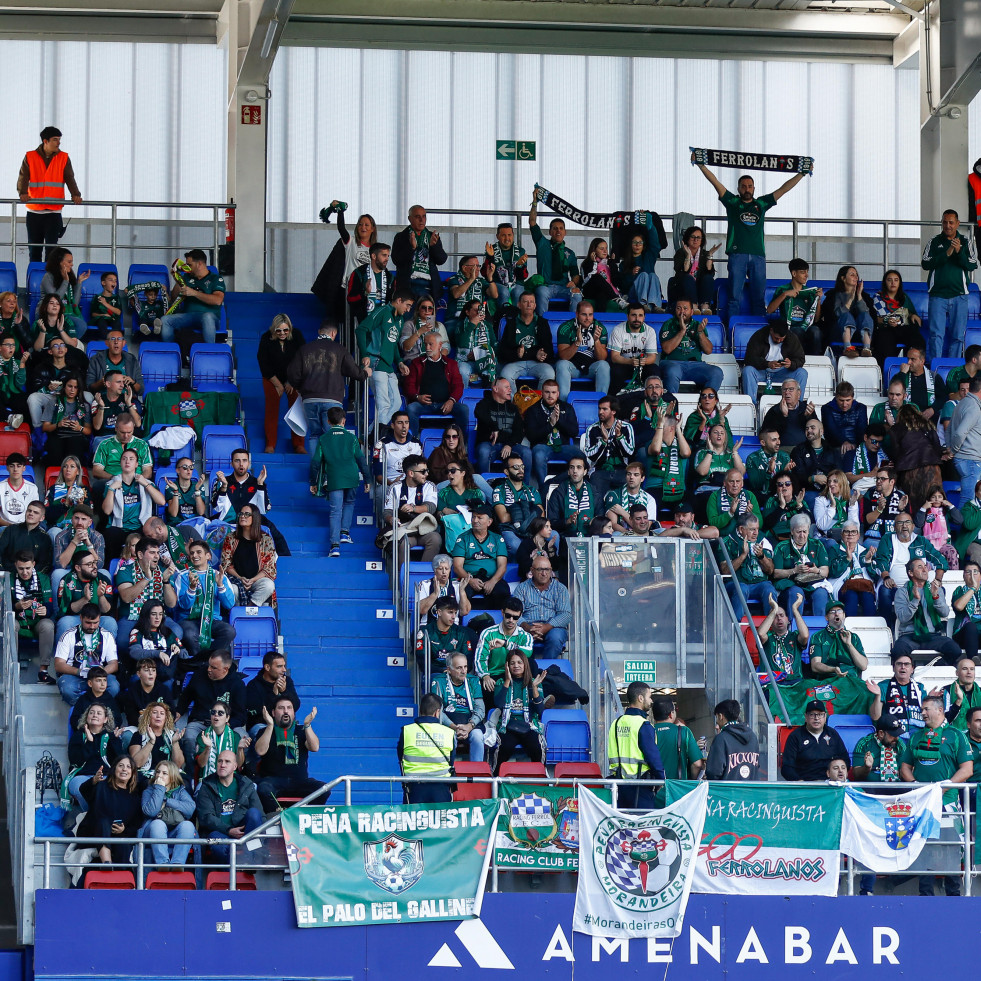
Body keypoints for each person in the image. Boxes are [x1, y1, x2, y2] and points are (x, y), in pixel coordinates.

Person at [693, 160, 806, 318]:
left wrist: (802, 173)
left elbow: (783, 189)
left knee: (759, 299)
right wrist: (701, 165)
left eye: (750, 186)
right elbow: (715, 182)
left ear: (754, 188)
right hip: (737, 255)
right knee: (734, 298)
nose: (747, 189)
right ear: (738, 189)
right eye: (744, 186)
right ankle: (732, 332)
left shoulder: (761, 203)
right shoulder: (732, 202)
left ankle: (758, 332)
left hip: (758, 256)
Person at [900, 695, 973, 896]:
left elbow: (966, 770)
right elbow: (905, 767)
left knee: (950, 847)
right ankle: (925, 896)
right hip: (922, 804)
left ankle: (954, 897)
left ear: (940, 710)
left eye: (926, 709)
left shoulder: (956, 735)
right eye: (922, 709)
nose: (922, 713)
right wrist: (916, 786)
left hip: (947, 804)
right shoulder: (915, 736)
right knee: (924, 846)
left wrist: (941, 790)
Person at [287, 321, 370, 458]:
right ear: (333, 333)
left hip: (309, 400)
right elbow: (355, 373)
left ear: (320, 332)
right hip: (332, 399)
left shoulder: (305, 349)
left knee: (314, 435)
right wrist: (365, 372)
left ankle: (316, 473)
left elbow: (292, 374)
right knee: (331, 435)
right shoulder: (339, 349)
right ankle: (328, 474)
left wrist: (302, 388)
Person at [310, 405, 371, 557]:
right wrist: (367, 478)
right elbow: (361, 460)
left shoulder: (324, 438)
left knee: (335, 511)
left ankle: (334, 546)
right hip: (351, 477)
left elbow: (316, 462)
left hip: (334, 479)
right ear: (344, 421)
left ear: (328, 421)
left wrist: (313, 481)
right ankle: (345, 533)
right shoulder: (352, 438)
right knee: (349, 503)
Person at [868, 512, 948, 625]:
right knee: (884, 592)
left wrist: (938, 580)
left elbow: (941, 561)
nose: (904, 526)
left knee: (940, 591)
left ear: (913, 526)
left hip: (920, 586)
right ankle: (887, 627)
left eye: (907, 522)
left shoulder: (921, 541)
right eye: (900, 523)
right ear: (895, 527)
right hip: (895, 587)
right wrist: (886, 578)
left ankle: (934, 626)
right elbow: (882, 561)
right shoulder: (888, 539)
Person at [18, 127, 83, 263]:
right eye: (55, 140)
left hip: (53, 213)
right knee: (34, 251)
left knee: (52, 252)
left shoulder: (63, 157)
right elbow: (23, 176)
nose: (58, 143)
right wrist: (22, 192)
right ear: (45, 141)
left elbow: (69, 177)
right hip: (34, 212)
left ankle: (50, 282)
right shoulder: (30, 156)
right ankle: (35, 282)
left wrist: (76, 194)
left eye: (59, 140)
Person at [922, 209, 979, 361]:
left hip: (959, 295)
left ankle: (952, 369)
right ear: (942, 223)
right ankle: (936, 370)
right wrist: (947, 253)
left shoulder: (966, 242)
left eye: (951, 222)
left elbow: (972, 265)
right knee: (936, 335)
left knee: (958, 336)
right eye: (945, 222)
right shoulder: (934, 241)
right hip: (937, 295)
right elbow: (925, 264)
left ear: (957, 224)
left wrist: (959, 251)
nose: (948, 225)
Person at [355, 289, 414, 431]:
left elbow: (392, 343)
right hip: (375, 362)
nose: (408, 310)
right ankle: (376, 438)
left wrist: (399, 361)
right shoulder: (382, 311)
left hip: (388, 366)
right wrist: (364, 354)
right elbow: (361, 329)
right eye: (407, 305)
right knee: (384, 405)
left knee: (397, 403)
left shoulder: (399, 320)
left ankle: (370, 434)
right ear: (398, 300)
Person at [174, 650, 247, 763]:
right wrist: (179, 711)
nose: (208, 669)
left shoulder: (237, 684)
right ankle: (191, 773)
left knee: (244, 739)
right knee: (189, 737)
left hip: (227, 725)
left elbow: (241, 715)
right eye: (209, 665)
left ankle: (238, 774)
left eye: (214, 668)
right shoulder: (199, 675)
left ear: (225, 669)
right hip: (201, 722)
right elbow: (186, 696)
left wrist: (228, 724)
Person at [254, 698, 322, 811]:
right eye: (281, 708)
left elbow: (314, 747)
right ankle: (278, 816)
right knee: (263, 789)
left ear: (293, 713)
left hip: (299, 781)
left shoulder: (301, 730)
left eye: (289, 708)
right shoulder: (265, 731)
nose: (286, 711)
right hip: (273, 781)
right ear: (273, 713)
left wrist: (307, 725)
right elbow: (260, 751)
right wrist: (270, 725)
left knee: (323, 789)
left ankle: (302, 815)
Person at [76, 756, 145, 868]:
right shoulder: (102, 786)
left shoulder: (135, 797)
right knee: (104, 821)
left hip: (118, 835)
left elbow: (136, 824)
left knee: (124, 844)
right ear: (114, 769)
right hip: (93, 833)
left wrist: (124, 829)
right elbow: (84, 791)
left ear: (132, 773)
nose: (124, 769)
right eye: (121, 766)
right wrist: (93, 781)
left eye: (128, 767)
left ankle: (123, 879)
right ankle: (106, 864)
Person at [195, 749, 265, 859]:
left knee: (254, 813)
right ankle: (239, 868)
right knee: (217, 843)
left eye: (227, 762)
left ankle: (251, 859)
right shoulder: (207, 786)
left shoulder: (246, 784)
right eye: (220, 761)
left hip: (244, 832)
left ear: (235, 766)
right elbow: (206, 818)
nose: (222, 765)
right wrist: (229, 830)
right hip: (219, 832)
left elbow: (260, 815)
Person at [100, 448, 166, 559]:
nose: (127, 462)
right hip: (120, 527)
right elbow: (107, 511)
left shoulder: (146, 482)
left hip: (141, 527)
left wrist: (145, 484)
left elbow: (161, 501)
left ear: (136, 464)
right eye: (124, 459)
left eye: (131, 459)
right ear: (120, 463)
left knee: (153, 534)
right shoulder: (111, 484)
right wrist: (112, 489)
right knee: (111, 533)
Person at [607, 681, 665, 808]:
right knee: (644, 825)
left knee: (623, 826)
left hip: (618, 786)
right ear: (640, 698)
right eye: (649, 697)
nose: (651, 701)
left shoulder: (616, 724)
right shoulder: (643, 725)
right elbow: (653, 756)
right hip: (641, 786)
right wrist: (661, 779)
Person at [893, 557, 960, 664]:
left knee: (954, 650)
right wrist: (915, 600)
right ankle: (909, 675)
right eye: (920, 567)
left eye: (925, 566)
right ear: (910, 573)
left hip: (933, 636)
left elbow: (945, 613)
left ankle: (934, 669)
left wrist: (935, 597)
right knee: (898, 650)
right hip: (910, 636)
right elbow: (902, 617)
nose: (925, 570)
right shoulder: (902, 592)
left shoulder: (935, 589)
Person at [258, 314, 305, 455]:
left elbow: (303, 359)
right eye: (279, 331)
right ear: (274, 330)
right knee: (271, 410)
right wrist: (277, 384)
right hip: (272, 378)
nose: (282, 333)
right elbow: (262, 361)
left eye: (286, 330)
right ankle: (270, 444)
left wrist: (291, 381)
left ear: (290, 329)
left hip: (294, 378)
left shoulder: (297, 335)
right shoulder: (266, 338)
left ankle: (299, 444)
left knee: (297, 410)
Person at [53, 604, 119, 705]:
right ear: (81, 618)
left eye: (95, 623)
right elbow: (58, 665)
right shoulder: (68, 635)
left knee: (114, 687)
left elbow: (114, 664)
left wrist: (101, 672)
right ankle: (82, 710)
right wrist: (79, 671)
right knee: (68, 689)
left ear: (100, 619)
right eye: (88, 623)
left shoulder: (107, 635)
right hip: (74, 675)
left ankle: (98, 710)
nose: (92, 627)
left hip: (99, 675)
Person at [492, 651, 547, 773]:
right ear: (507, 666)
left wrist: (534, 688)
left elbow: (540, 711)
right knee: (504, 747)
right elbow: (499, 704)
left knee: (537, 747)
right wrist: (507, 681)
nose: (516, 666)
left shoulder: (534, 682)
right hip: (507, 726)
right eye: (512, 663)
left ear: (525, 664)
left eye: (519, 662)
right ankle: (495, 781)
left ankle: (541, 780)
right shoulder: (501, 682)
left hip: (529, 725)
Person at [523, 378, 581, 493]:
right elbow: (532, 437)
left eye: (553, 392)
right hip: (542, 446)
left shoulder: (567, 408)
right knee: (538, 454)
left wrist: (559, 421)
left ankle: (568, 486)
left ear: (558, 393)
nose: (550, 395)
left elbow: (574, 432)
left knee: (581, 456)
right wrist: (550, 424)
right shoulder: (533, 410)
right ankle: (543, 489)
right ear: (542, 392)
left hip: (563, 447)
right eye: (547, 392)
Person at [403, 331, 468, 433]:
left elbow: (459, 385)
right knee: (411, 408)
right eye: (425, 344)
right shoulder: (416, 363)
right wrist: (417, 397)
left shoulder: (451, 364)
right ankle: (414, 443)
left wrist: (451, 400)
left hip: (445, 404)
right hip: (423, 405)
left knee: (463, 409)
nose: (427, 348)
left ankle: (463, 446)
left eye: (430, 344)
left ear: (440, 345)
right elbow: (409, 385)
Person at [397, 692, 456, 803]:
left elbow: (400, 758)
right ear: (437, 713)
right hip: (441, 789)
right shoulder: (449, 733)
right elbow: (451, 761)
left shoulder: (407, 731)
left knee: (414, 820)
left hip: (413, 789)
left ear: (420, 710)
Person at [528, 196, 583, 314]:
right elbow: (532, 222)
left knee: (577, 294)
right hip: (546, 286)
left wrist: (574, 282)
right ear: (550, 232)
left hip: (564, 287)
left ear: (565, 232)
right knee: (541, 292)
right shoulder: (542, 244)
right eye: (555, 228)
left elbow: (575, 274)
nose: (558, 231)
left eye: (561, 228)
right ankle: (542, 325)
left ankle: (572, 326)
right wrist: (534, 202)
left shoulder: (570, 253)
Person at [657, 298, 723, 395]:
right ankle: (671, 404)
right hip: (672, 363)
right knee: (672, 371)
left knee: (717, 372)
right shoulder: (668, 324)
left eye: (685, 308)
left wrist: (700, 332)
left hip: (695, 366)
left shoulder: (697, 325)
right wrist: (682, 331)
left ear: (692, 312)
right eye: (678, 308)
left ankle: (705, 401)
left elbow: (708, 350)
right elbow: (667, 349)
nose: (682, 311)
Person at [382, 453, 441, 562]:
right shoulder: (396, 487)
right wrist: (391, 519)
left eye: (427, 470)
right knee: (402, 542)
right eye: (423, 471)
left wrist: (413, 508)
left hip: (424, 529)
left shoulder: (429, 486)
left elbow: (431, 507)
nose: (427, 474)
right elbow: (387, 512)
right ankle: (402, 577)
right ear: (411, 473)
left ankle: (424, 576)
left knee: (435, 539)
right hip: (404, 530)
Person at [161, 249, 225, 347]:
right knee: (165, 320)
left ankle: (209, 351)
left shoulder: (215, 279)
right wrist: (178, 279)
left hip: (210, 318)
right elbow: (173, 299)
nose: (187, 268)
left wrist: (194, 293)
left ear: (199, 264)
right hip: (189, 316)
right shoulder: (187, 277)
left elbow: (217, 300)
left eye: (189, 265)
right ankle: (170, 352)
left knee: (207, 317)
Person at [511, 557, 572, 660]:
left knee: (555, 637)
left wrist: (547, 627)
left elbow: (566, 614)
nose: (544, 573)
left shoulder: (560, 588)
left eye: (547, 570)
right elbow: (515, 613)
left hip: (553, 627)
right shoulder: (522, 588)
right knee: (522, 636)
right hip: (528, 626)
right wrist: (526, 627)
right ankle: (529, 671)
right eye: (540, 569)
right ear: (532, 570)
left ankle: (547, 671)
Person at [10, 548, 56, 682]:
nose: (24, 572)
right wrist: (16, 607)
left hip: (36, 622)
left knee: (48, 625)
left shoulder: (43, 579)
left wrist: (46, 611)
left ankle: (43, 671)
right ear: (15, 566)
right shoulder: (9, 579)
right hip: (19, 622)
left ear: (34, 564)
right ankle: (13, 668)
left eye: (28, 568)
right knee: (10, 624)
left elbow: (50, 606)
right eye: (21, 568)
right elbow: (3, 609)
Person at [451, 504, 510, 608]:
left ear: (489, 522)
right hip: (468, 578)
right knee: (460, 593)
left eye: (479, 517)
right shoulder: (463, 538)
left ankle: (495, 621)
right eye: (473, 517)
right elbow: (457, 567)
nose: (475, 520)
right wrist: (470, 580)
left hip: (491, 578)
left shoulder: (497, 539)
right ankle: (463, 621)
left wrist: (493, 581)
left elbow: (502, 566)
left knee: (502, 592)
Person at [139, 761, 196, 867]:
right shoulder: (149, 791)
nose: (159, 775)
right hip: (152, 832)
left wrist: (166, 801)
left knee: (188, 825)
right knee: (158, 824)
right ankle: (163, 864)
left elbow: (190, 809)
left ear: (172, 776)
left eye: (164, 773)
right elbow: (151, 812)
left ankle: (177, 864)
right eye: (158, 772)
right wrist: (160, 789)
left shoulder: (180, 791)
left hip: (173, 831)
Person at [66, 703, 122, 807]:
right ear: (87, 717)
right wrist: (90, 743)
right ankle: (89, 816)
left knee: (106, 789)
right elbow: (75, 761)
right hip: (82, 776)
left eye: (99, 713)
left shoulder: (110, 737)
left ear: (105, 719)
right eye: (91, 713)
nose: (94, 715)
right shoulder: (78, 736)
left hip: (105, 776)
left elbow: (119, 761)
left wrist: (115, 741)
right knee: (81, 788)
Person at [432, 654, 486, 763]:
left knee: (478, 736)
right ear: (449, 670)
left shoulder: (474, 680)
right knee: (449, 738)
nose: (463, 671)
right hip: (449, 724)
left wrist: (469, 726)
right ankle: (449, 771)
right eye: (459, 668)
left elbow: (480, 708)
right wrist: (454, 727)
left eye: (465, 667)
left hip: (470, 722)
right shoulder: (439, 681)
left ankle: (477, 774)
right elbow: (438, 710)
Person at [220, 504, 277, 607]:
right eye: (241, 514)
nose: (242, 516)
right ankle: (237, 615)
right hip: (237, 580)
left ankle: (249, 608)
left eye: (247, 514)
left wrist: (252, 580)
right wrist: (241, 578)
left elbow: (269, 567)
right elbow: (226, 564)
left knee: (269, 585)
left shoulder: (266, 539)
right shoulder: (231, 538)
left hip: (257, 580)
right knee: (232, 589)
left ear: (254, 517)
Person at [581, 395, 636, 500]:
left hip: (622, 471)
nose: (600, 412)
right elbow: (590, 455)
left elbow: (629, 452)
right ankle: (598, 516)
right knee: (596, 499)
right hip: (599, 471)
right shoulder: (592, 429)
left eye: (604, 409)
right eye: (599, 408)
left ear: (613, 411)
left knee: (627, 496)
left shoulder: (626, 427)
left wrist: (620, 437)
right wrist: (603, 441)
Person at [473, 377, 532, 474]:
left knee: (526, 452)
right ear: (496, 389)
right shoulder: (484, 404)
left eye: (509, 387)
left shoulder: (513, 408)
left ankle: (524, 487)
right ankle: (483, 486)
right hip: (489, 444)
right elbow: (478, 412)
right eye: (506, 387)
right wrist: (494, 427)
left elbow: (519, 431)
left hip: (508, 446)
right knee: (483, 451)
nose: (510, 390)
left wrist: (509, 444)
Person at [497, 291, 555, 389]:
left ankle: (539, 403)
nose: (529, 304)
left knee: (549, 373)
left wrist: (543, 354)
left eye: (531, 302)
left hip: (536, 363)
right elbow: (503, 351)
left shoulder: (542, 323)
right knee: (505, 374)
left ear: (535, 305)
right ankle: (513, 403)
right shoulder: (511, 323)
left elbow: (549, 349)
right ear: (519, 305)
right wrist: (516, 353)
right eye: (525, 302)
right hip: (515, 363)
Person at [650, 697, 703, 803]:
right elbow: (697, 764)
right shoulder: (684, 732)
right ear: (671, 714)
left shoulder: (648, 732)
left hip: (652, 793)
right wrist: (690, 782)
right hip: (678, 793)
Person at [555, 299, 611, 399]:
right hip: (573, 367)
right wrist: (577, 343)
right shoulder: (566, 327)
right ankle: (563, 405)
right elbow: (563, 356)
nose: (588, 318)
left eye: (590, 315)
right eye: (584, 314)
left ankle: (602, 403)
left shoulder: (599, 328)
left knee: (604, 365)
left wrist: (597, 341)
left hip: (591, 368)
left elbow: (602, 358)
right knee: (561, 364)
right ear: (577, 314)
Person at [780, 700, 850, 781]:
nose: (816, 718)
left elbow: (845, 761)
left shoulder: (833, 734)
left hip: (831, 783)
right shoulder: (796, 736)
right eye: (812, 715)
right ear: (806, 717)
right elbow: (787, 768)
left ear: (825, 717)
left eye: (820, 714)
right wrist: (800, 782)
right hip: (806, 785)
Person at [766, 258, 824, 354]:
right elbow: (769, 310)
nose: (806, 275)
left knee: (816, 330)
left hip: (807, 327)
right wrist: (784, 295)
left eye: (807, 272)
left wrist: (818, 300)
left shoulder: (809, 292)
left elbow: (816, 319)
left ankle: (815, 361)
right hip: (789, 328)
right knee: (798, 331)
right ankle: (797, 360)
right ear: (794, 274)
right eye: (802, 272)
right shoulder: (783, 289)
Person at [56, 549, 115, 641]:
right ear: (78, 568)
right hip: (76, 618)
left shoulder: (103, 579)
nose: (95, 567)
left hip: (97, 619)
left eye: (94, 563)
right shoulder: (67, 581)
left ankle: (107, 654)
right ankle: (62, 654)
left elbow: (107, 611)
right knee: (64, 622)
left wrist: (101, 596)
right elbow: (65, 611)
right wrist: (85, 599)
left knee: (110, 622)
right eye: (89, 564)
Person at [392, 205, 447, 302]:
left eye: (424, 216)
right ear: (409, 219)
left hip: (429, 285)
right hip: (408, 285)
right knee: (408, 316)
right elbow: (396, 260)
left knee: (428, 316)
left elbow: (441, 260)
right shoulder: (401, 236)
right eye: (417, 217)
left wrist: (433, 247)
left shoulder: (432, 236)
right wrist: (411, 248)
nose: (422, 220)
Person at [492, 454, 544, 557]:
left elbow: (541, 515)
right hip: (510, 529)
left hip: (532, 529)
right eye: (516, 467)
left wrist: (515, 513)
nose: (520, 470)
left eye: (522, 467)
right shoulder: (499, 490)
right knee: (516, 545)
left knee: (554, 535)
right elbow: (503, 518)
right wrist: (528, 512)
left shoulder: (532, 490)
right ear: (506, 471)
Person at [721, 513, 776, 609]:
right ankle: (737, 623)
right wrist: (743, 555)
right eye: (752, 529)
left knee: (769, 589)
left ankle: (771, 623)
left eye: (757, 529)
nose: (756, 533)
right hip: (736, 584)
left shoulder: (762, 540)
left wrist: (761, 556)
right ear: (741, 529)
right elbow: (725, 571)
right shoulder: (727, 542)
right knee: (742, 588)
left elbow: (770, 570)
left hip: (759, 584)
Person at [372, 410, 423, 514]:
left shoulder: (416, 444)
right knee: (380, 491)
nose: (404, 426)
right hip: (390, 484)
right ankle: (385, 525)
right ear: (392, 425)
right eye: (400, 423)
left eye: (406, 422)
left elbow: (422, 471)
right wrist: (392, 484)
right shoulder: (381, 445)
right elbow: (378, 475)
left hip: (412, 484)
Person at [742, 320, 808, 398]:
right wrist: (767, 364)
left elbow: (800, 359)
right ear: (771, 330)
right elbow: (749, 358)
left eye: (782, 339)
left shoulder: (792, 338)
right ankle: (751, 404)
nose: (779, 341)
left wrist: (791, 364)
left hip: (782, 372)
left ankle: (796, 406)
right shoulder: (759, 336)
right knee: (747, 370)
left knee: (802, 373)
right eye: (776, 338)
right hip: (762, 371)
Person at [871, 270, 924, 363]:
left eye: (896, 280)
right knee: (884, 342)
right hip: (885, 329)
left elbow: (910, 313)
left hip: (903, 329)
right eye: (889, 280)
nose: (893, 283)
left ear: (899, 283)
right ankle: (887, 371)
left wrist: (913, 316)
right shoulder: (877, 298)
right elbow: (873, 318)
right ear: (885, 282)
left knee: (917, 339)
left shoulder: (904, 298)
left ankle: (914, 367)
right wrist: (886, 320)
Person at [869, 651, 926, 738]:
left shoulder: (919, 687)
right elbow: (875, 717)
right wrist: (878, 696)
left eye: (906, 664)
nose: (903, 667)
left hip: (917, 735)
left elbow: (927, 713)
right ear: (893, 668)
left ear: (912, 669)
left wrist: (932, 699)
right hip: (892, 735)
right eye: (899, 664)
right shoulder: (883, 686)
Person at [606, 303, 659, 396]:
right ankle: (616, 401)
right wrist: (630, 361)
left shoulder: (650, 331)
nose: (637, 319)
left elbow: (652, 357)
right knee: (616, 371)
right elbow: (614, 357)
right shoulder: (618, 330)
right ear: (628, 316)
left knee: (654, 370)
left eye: (640, 315)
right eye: (633, 315)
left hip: (642, 365)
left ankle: (651, 399)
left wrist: (644, 361)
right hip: (624, 364)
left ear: (644, 317)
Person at [124, 600, 182, 683]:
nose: (158, 618)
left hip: (164, 673)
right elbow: (134, 653)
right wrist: (158, 654)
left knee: (170, 683)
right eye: (153, 614)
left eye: (160, 614)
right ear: (146, 615)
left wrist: (178, 650)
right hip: (144, 673)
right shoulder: (137, 632)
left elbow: (185, 655)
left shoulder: (167, 632)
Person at [827, 521, 877, 617]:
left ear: (858, 535)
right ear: (842, 535)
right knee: (851, 596)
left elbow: (875, 576)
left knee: (868, 596)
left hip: (863, 584)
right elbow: (833, 572)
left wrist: (868, 561)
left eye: (853, 532)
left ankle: (871, 627)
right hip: (843, 585)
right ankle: (849, 629)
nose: (850, 534)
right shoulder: (835, 550)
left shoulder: (865, 551)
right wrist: (847, 559)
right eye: (847, 532)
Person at [40, 373, 91, 467]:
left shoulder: (84, 405)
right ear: (64, 386)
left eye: (76, 387)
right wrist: (58, 424)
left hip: (77, 436)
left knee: (75, 449)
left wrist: (79, 428)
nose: (72, 390)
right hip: (57, 435)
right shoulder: (54, 401)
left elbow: (88, 431)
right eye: (70, 386)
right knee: (55, 450)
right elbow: (45, 427)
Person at [704, 698, 760, 780]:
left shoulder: (721, 738)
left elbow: (713, 772)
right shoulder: (753, 737)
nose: (716, 723)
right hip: (751, 791)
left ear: (720, 716)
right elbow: (756, 767)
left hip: (727, 791)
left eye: (716, 717)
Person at [808, 601, 868, 677]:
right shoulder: (818, 636)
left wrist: (849, 645)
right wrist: (833, 669)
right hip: (827, 679)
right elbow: (815, 666)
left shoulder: (853, 637)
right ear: (826, 617)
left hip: (850, 679)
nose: (836, 614)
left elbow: (863, 666)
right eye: (832, 612)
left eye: (839, 611)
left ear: (844, 615)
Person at [127, 698, 183, 779]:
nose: (158, 716)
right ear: (148, 717)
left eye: (162, 713)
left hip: (169, 774)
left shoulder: (174, 736)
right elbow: (137, 763)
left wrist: (175, 743)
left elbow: (178, 765)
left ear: (166, 718)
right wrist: (151, 742)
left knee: (185, 783)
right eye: (154, 713)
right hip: (146, 774)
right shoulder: (139, 735)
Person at [757, 593, 808, 682]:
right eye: (775, 617)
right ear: (771, 622)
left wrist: (795, 610)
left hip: (795, 682)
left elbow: (805, 635)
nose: (779, 619)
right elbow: (760, 634)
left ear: (788, 620)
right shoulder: (768, 637)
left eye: (782, 615)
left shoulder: (794, 636)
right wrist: (774, 610)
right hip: (772, 682)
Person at [645, 411, 691, 508]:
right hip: (655, 488)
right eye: (658, 425)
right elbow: (656, 449)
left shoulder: (681, 445)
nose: (657, 428)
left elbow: (686, 453)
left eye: (661, 425)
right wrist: (660, 425)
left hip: (678, 489)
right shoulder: (651, 443)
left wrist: (678, 429)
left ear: (671, 428)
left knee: (687, 508)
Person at [824, 265, 875, 354]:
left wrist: (859, 296)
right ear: (843, 278)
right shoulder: (834, 295)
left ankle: (867, 349)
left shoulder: (865, 296)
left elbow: (867, 315)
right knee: (846, 315)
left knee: (865, 315)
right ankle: (848, 347)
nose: (856, 277)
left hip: (859, 334)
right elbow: (834, 316)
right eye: (852, 274)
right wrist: (850, 299)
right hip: (838, 332)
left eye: (856, 275)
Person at [547, 454, 600, 537]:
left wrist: (594, 522)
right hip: (565, 537)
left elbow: (601, 518)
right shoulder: (558, 492)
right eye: (572, 467)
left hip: (590, 536)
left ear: (585, 471)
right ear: (568, 471)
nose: (575, 471)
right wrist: (567, 521)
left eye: (579, 467)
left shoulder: (594, 492)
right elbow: (551, 522)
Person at [38, 248, 87, 336]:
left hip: (65, 313)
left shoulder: (70, 276)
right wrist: (65, 281)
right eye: (69, 262)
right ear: (59, 262)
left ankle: (66, 345)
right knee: (79, 325)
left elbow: (75, 303)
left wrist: (79, 283)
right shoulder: (48, 277)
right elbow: (54, 300)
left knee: (81, 325)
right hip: (48, 313)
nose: (72, 264)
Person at [668, 226, 717, 314]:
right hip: (683, 287)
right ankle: (693, 306)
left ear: (702, 240)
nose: (695, 240)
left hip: (699, 288)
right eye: (693, 237)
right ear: (687, 238)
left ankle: (705, 307)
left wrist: (710, 255)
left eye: (698, 237)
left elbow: (710, 272)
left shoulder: (704, 253)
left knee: (708, 278)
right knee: (688, 278)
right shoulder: (680, 252)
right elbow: (683, 272)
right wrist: (688, 255)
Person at [949, 375, 981, 506]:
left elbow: (949, 430)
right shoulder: (973, 407)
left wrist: (952, 449)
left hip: (966, 458)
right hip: (970, 459)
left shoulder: (961, 403)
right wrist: (954, 449)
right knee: (968, 498)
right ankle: (964, 526)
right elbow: (959, 433)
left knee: (969, 497)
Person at [86, 327, 144, 396]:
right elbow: (89, 387)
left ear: (124, 343)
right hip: (103, 399)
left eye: (119, 339)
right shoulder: (96, 359)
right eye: (112, 339)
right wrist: (101, 383)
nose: (116, 342)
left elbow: (141, 390)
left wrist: (133, 382)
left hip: (127, 399)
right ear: (107, 343)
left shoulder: (132, 360)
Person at [452, 298, 498, 386]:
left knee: (496, 369)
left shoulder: (488, 325)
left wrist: (479, 354)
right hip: (466, 362)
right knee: (463, 371)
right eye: (476, 310)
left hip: (485, 362)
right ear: (467, 312)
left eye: (481, 310)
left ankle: (489, 394)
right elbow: (461, 343)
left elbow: (494, 346)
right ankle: (462, 397)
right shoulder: (461, 325)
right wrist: (471, 325)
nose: (479, 313)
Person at [195, 701, 247, 778]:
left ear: (227, 718)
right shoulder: (203, 736)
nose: (216, 715)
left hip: (230, 780)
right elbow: (201, 764)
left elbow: (239, 764)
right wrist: (207, 748)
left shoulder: (235, 737)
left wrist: (240, 749)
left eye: (220, 713)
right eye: (213, 712)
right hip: (207, 781)